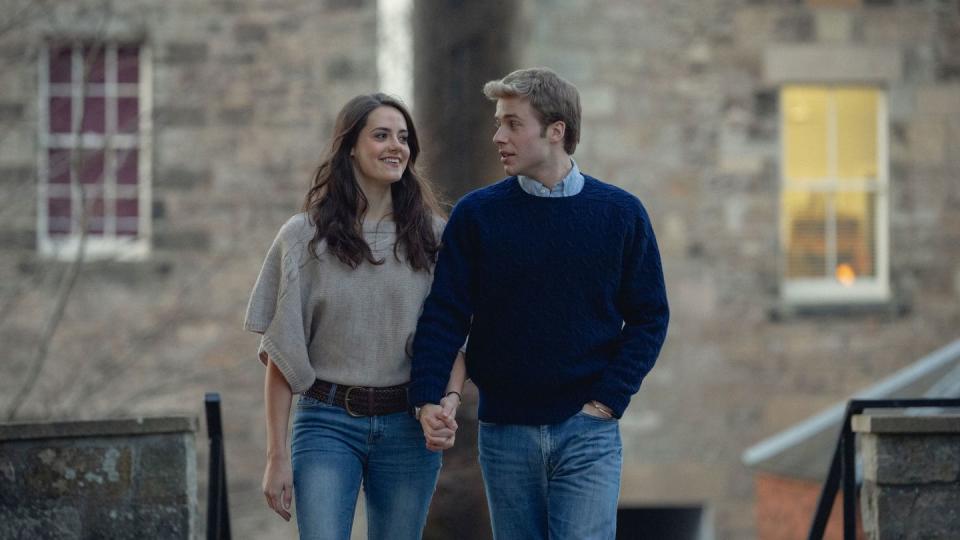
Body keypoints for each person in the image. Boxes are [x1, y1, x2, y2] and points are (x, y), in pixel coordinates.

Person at [409, 68, 669, 539]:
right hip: (505, 433)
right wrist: (429, 395)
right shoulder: (477, 215)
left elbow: (650, 316)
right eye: (497, 123)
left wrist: (608, 401)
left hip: (588, 433)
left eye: (512, 123)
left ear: (556, 132)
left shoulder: (621, 214)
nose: (497, 137)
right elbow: (445, 314)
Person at [244, 93, 465, 540]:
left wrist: (449, 403)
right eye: (381, 135)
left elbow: (455, 341)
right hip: (325, 424)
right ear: (349, 147)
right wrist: (276, 457)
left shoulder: (436, 237)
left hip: (408, 426)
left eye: (403, 138)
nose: (395, 146)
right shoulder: (303, 237)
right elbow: (283, 354)